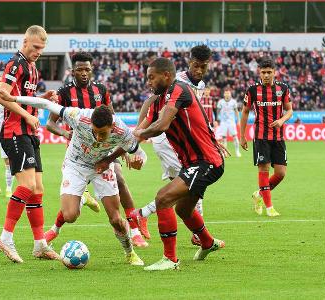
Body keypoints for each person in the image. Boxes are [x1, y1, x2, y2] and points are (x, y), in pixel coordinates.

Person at [98, 57, 227, 271]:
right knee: (184, 209)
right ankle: (207, 241)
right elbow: (136, 136)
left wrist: (140, 132)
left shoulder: (179, 89)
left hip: (206, 161)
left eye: (151, 77)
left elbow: (161, 125)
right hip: (193, 163)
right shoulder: (158, 102)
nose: (148, 82)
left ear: (166, 75)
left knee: (163, 198)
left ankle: (170, 259)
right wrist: (109, 158)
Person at [0, 88, 147, 266]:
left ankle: (129, 252)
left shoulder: (122, 131)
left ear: (112, 128)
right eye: (95, 131)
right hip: (75, 165)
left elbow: (142, 156)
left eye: (103, 134)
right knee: (69, 215)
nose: (98, 137)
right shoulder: (79, 116)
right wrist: (13, 97)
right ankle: (82, 197)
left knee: (115, 219)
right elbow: (46, 104)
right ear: (90, 122)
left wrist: (139, 162)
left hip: (102, 167)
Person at [44, 52, 149, 247]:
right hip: (79, 151)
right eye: (80, 70)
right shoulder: (64, 93)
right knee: (71, 206)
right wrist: (66, 134)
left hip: (105, 148)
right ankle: (58, 225)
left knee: (119, 178)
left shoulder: (101, 90)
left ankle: (134, 230)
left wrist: (124, 150)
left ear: (92, 70)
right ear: (72, 71)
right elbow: (50, 123)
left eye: (87, 69)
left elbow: (114, 120)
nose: (84, 73)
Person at [131, 45, 214, 247]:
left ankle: (142, 214)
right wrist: (139, 131)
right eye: (196, 65)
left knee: (181, 189)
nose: (199, 70)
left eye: (203, 66)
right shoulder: (178, 81)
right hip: (166, 139)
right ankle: (143, 214)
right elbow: (150, 102)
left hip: (177, 141)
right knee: (192, 184)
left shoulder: (200, 84)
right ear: (189, 62)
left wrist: (211, 138)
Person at [0, 25, 59, 263]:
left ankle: (40, 244)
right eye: (35, 47)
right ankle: (5, 238)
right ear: (25, 42)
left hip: (28, 132)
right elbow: (2, 94)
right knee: (27, 186)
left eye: (42, 49)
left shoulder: (32, 67)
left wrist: (40, 100)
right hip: (14, 132)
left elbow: (20, 96)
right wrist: (28, 116)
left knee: (38, 189)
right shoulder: (15, 63)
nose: (38, 52)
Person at [240, 57, 293, 217]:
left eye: (269, 72)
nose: (267, 75)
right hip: (260, 136)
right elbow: (244, 112)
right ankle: (269, 207)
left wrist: (281, 120)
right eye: (263, 72)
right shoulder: (252, 90)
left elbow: (289, 110)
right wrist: (242, 136)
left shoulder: (282, 89)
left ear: (275, 72)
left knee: (281, 173)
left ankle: (259, 194)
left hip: (278, 137)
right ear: (259, 73)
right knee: (263, 169)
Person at [217, 89, 241, 157]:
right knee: (224, 137)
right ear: (224, 94)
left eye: (228, 93)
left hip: (231, 122)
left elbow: (236, 111)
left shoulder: (233, 102)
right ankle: (224, 152)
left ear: (230, 94)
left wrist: (238, 120)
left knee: (235, 136)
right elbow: (218, 111)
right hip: (223, 122)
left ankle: (237, 151)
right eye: (226, 93)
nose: (227, 95)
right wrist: (217, 119)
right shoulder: (220, 102)